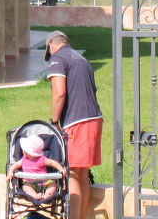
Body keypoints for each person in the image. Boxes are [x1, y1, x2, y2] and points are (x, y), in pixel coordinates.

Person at [45, 30, 103, 219]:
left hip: (77, 122)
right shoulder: (81, 59)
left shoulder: (58, 59)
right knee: (82, 174)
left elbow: (59, 93)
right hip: (94, 119)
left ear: (51, 46)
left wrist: (54, 122)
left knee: (72, 174)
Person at [7, 133, 66, 201]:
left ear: (29, 152)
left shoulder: (42, 159)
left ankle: (47, 194)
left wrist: (60, 168)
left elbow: (53, 163)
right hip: (29, 182)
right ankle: (35, 195)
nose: (22, 151)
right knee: (26, 187)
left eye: (24, 150)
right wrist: (10, 172)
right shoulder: (23, 160)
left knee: (53, 184)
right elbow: (15, 165)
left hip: (44, 181)